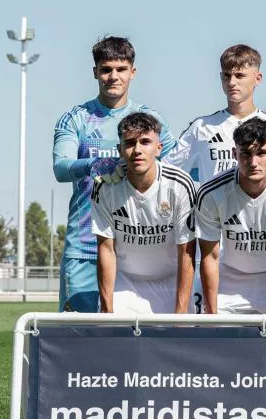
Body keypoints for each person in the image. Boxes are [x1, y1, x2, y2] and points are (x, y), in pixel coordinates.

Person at [52, 36, 175, 312]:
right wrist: (95, 165)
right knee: (77, 339)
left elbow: (176, 167)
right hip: (84, 248)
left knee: (129, 340)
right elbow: (61, 168)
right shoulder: (76, 118)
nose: (113, 76)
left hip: (136, 251)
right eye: (106, 69)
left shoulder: (149, 120)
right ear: (96, 72)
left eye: (121, 69)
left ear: (133, 72)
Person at [194, 118, 266, 314]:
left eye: (261, 153)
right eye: (246, 154)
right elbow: (210, 257)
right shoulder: (211, 192)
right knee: (207, 336)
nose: (253, 162)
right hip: (230, 281)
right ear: (234, 154)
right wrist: (212, 316)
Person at [91, 113, 196, 314]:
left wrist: (181, 313)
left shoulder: (180, 185)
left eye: (145, 142)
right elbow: (106, 250)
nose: (137, 150)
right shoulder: (105, 187)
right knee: (117, 341)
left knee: (178, 342)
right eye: (130, 143)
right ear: (120, 150)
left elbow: (186, 253)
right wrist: (107, 309)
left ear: (159, 148)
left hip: (171, 281)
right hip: (126, 284)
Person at [166, 44, 266, 184]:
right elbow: (166, 174)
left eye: (240, 76)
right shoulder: (202, 127)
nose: (231, 82)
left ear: (257, 78)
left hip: (265, 208)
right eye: (227, 76)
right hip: (216, 209)